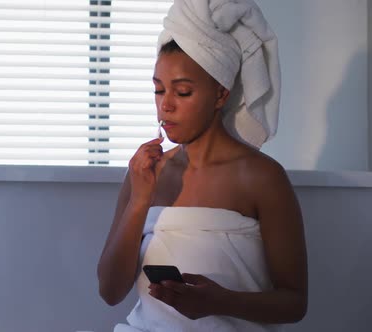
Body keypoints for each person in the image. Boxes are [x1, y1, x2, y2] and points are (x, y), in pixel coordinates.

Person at [97, 1, 308, 331]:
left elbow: (295, 303)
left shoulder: (263, 178)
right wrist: (139, 201)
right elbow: (109, 292)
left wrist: (219, 302)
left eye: (182, 92)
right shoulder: (144, 175)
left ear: (221, 94)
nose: (165, 105)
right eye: (158, 89)